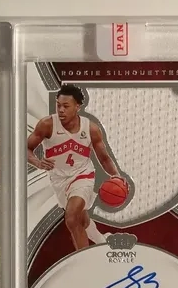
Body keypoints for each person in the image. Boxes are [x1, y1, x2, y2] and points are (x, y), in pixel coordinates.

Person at [27, 84, 126, 250]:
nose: (61, 110)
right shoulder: (47, 124)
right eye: (58, 105)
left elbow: (104, 158)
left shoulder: (91, 128)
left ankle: (84, 259)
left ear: (77, 107)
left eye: (66, 106)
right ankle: (102, 243)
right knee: (81, 219)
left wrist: (116, 175)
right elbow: (26, 148)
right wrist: (37, 162)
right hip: (58, 179)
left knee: (72, 218)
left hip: (83, 175)